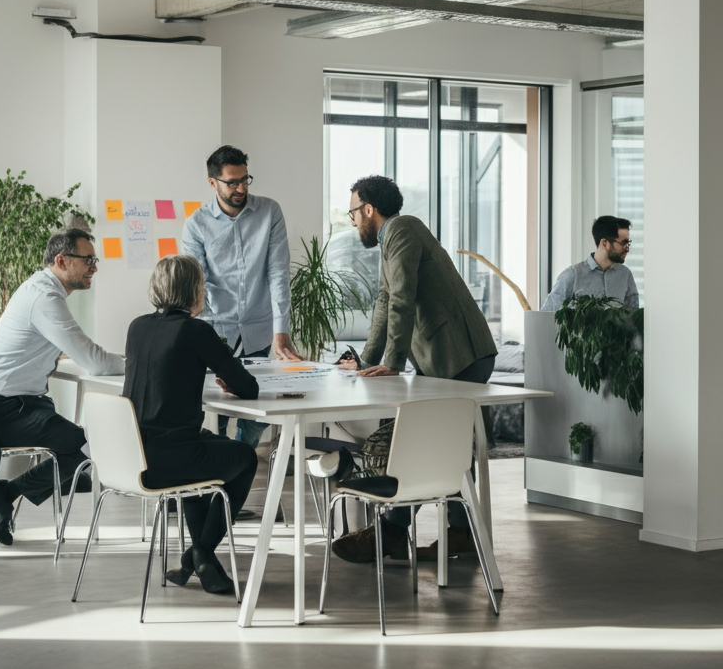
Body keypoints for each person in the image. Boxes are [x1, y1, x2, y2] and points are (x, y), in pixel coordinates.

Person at [334, 175, 498, 563]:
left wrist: (392, 362)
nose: (354, 221)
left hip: (461, 354)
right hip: (443, 358)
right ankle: (450, 533)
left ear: (369, 209)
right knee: (442, 445)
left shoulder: (403, 229)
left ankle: (399, 531)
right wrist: (368, 361)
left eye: (354, 212)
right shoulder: (393, 237)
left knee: (435, 443)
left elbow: (402, 299)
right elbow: (385, 300)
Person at [0, 228, 125, 546]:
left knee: (76, 448)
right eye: (88, 260)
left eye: (94, 259)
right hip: (6, 408)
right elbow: (96, 361)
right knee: (82, 446)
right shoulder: (45, 298)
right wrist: (140, 364)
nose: (94, 267)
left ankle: (13, 490)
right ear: (61, 260)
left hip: (14, 401)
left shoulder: (41, 289)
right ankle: (9, 491)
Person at [123, 255, 259, 595]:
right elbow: (248, 387)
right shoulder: (196, 330)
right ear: (195, 290)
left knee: (201, 448)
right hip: (170, 460)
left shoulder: (137, 326)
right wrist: (229, 380)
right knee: (245, 458)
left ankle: (201, 565)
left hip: (133, 457)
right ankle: (200, 552)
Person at [182, 144, 301, 452]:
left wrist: (281, 329)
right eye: (232, 182)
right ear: (213, 183)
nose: (240, 188)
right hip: (214, 332)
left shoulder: (269, 212)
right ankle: (218, 476)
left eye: (245, 179)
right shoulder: (196, 225)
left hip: (259, 330)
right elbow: (196, 283)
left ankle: (240, 459)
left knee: (257, 408)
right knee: (213, 415)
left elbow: (278, 273)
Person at [540, 214, 639, 312]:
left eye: (628, 243)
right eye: (623, 243)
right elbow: (546, 315)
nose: (627, 248)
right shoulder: (572, 275)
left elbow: (635, 319)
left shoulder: (625, 275)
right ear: (604, 243)